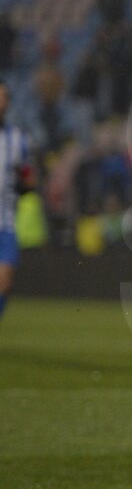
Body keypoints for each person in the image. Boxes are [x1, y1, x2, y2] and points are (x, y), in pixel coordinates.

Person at [0, 79, 36, 326]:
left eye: (3, 97)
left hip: (6, 221)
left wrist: (25, 185)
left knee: (5, 280)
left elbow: (28, 175)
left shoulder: (18, 139)